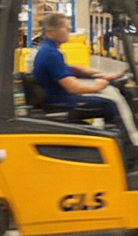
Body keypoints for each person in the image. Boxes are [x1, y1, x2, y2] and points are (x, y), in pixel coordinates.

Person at [29, 9, 132, 147]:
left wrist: (100, 74)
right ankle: (125, 148)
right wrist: (99, 85)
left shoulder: (49, 49)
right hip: (57, 101)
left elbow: (70, 68)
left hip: (54, 97)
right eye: (65, 27)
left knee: (104, 103)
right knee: (109, 105)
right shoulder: (51, 54)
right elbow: (74, 87)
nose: (69, 29)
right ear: (51, 32)